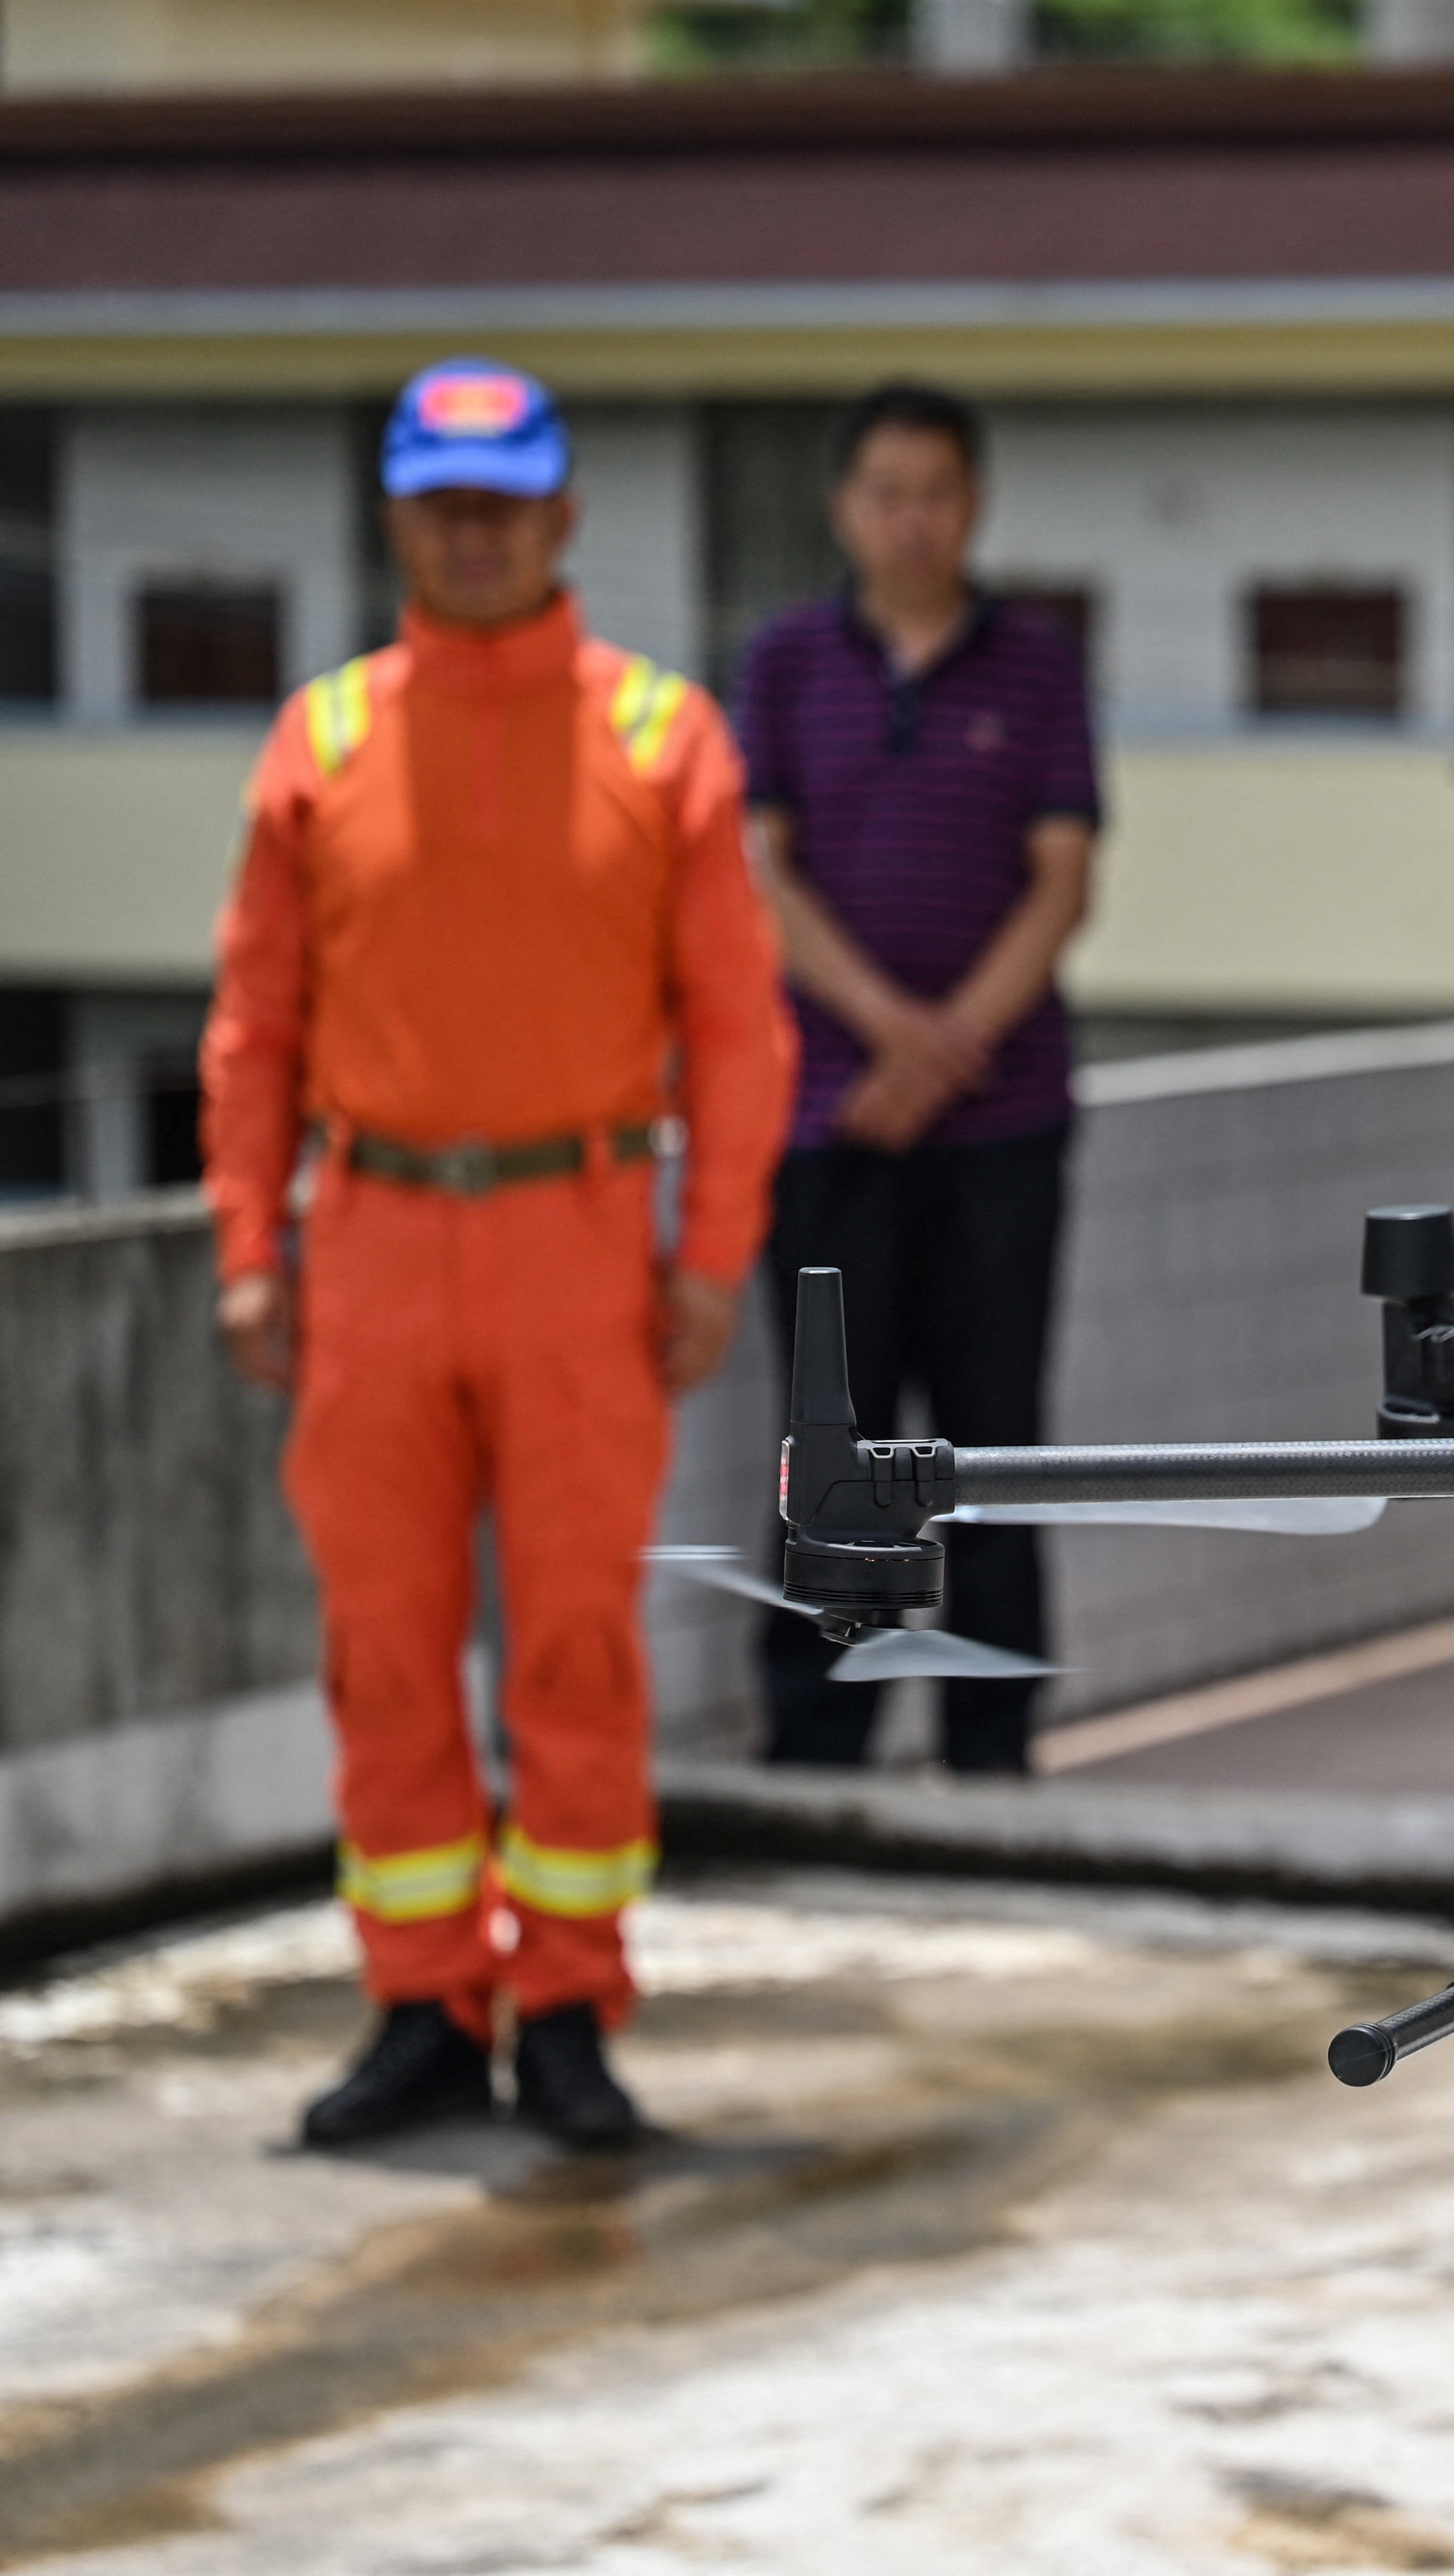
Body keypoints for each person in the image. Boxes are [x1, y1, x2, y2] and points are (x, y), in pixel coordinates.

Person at [201, 358, 795, 2152]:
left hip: (579, 1238)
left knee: (575, 1644)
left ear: (563, 516)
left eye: (505, 503)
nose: (474, 536)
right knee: (383, 1645)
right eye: (443, 505)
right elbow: (253, 1024)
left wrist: (711, 1254)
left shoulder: (657, 738)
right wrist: (250, 1247)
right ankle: (417, 2001)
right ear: (398, 517)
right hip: (370, 1236)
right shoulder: (319, 741)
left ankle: (567, 2004)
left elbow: (739, 1027)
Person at [733, 382, 1100, 1775]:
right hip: (829, 1122)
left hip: (1004, 1129)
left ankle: (990, 1742)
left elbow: (1063, 883)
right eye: (885, 491)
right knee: (831, 1439)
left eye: (936, 491)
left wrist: (944, 1054)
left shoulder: (1037, 665)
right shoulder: (781, 662)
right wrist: (892, 1032)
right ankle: (819, 1735)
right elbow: (764, 876)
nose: (911, 517)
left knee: (995, 1443)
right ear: (844, 507)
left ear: (974, 501)